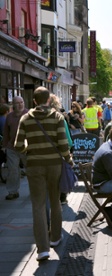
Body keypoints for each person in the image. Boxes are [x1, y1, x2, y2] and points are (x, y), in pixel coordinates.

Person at [14, 87, 72, 261]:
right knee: (55, 201)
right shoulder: (57, 117)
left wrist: (29, 150)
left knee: (38, 206)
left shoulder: (26, 118)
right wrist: (68, 159)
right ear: (48, 100)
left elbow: (17, 145)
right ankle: (55, 238)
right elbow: (63, 144)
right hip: (54, 165)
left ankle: (42, 249)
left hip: (34, 166)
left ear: (34, 101)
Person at [3, 96, 27, 200]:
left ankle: (35, 191)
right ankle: (13, 191)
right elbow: (6, 132)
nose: (20, 104)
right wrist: (4, 146)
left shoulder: (29, 114)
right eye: (17, 103)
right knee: (13, 170)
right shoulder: (9, 116)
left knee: (31, 170)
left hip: (27, 147)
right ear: (13, 105)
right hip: (12, 147)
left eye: (21, 102)